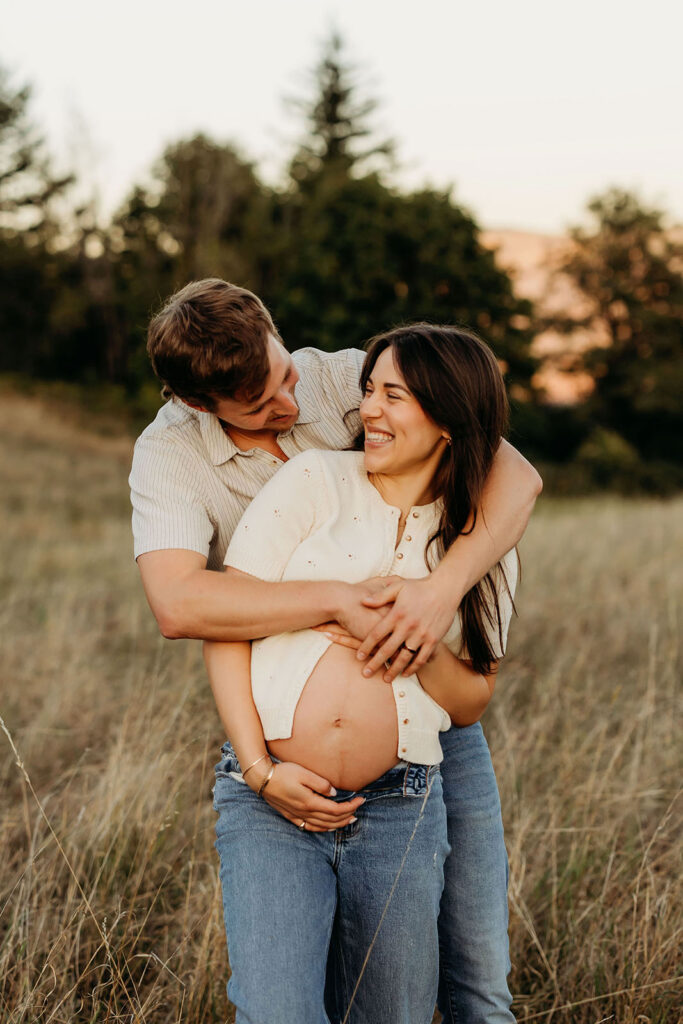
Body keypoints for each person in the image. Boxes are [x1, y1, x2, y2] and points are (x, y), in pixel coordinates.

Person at [129, 278, 541, 1021]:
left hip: (428, 744)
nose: (289, 406)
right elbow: (183, 604)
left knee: (473, 973)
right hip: (283, 746)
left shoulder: (348, 376)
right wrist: (337, 602)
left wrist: (437, 593)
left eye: (282, 373)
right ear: (196, 405)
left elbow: (508, 467)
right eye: (259, 405)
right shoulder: (172, 457)